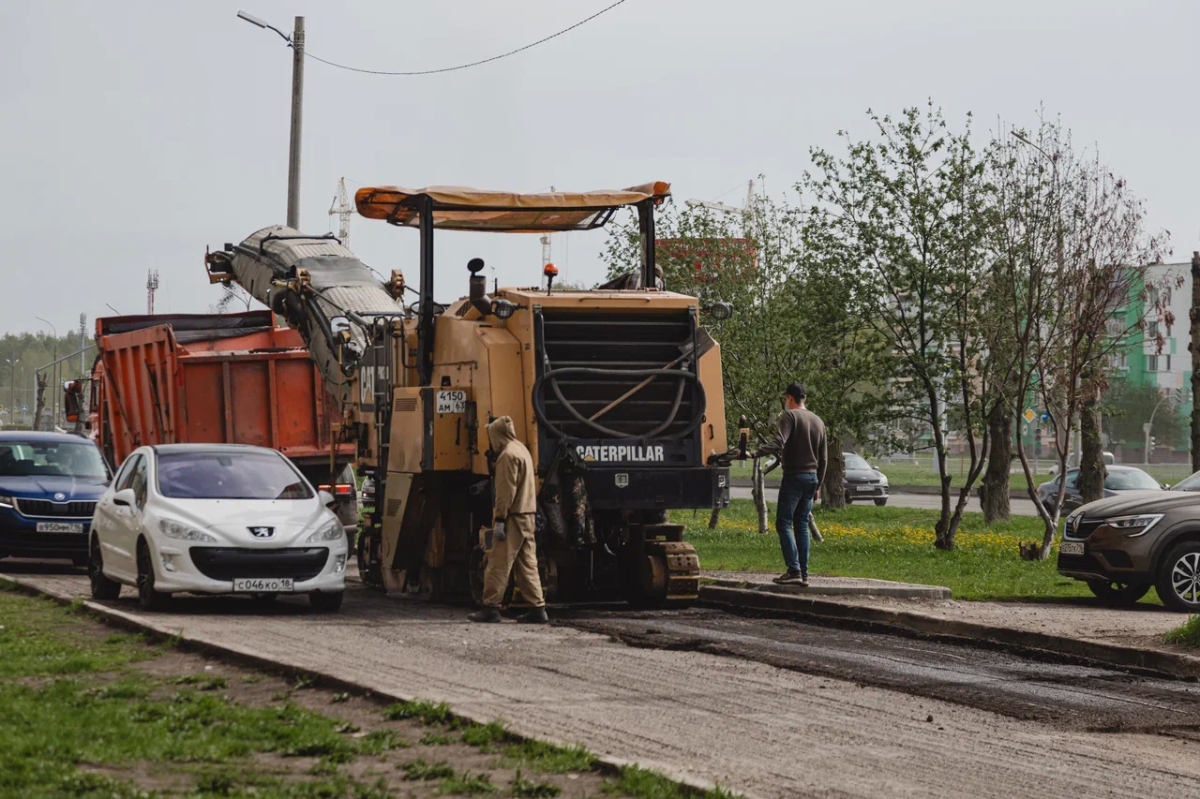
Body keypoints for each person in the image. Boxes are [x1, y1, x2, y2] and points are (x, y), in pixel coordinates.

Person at [468, 416, 548, 624]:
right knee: (527, 563)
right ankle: (538, 608)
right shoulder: (522, 450)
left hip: (513, 517)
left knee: (498, 562)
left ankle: (490, 607)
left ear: (496, 435)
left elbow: (505, 492)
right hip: (528, 515)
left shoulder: (507, 456)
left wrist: (500, 518)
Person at [754, 382, 827, 585]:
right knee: (801, 524)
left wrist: (756, 452)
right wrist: (818, 485)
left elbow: (779, 442)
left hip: (794, 476)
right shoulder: (818, 421)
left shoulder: (790, 416)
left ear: (789, 398)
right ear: (805, 398)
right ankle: (804, 574)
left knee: (783, 523)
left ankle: (793, 570)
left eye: (786, 399)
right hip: (812, 478)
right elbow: (824, 458)